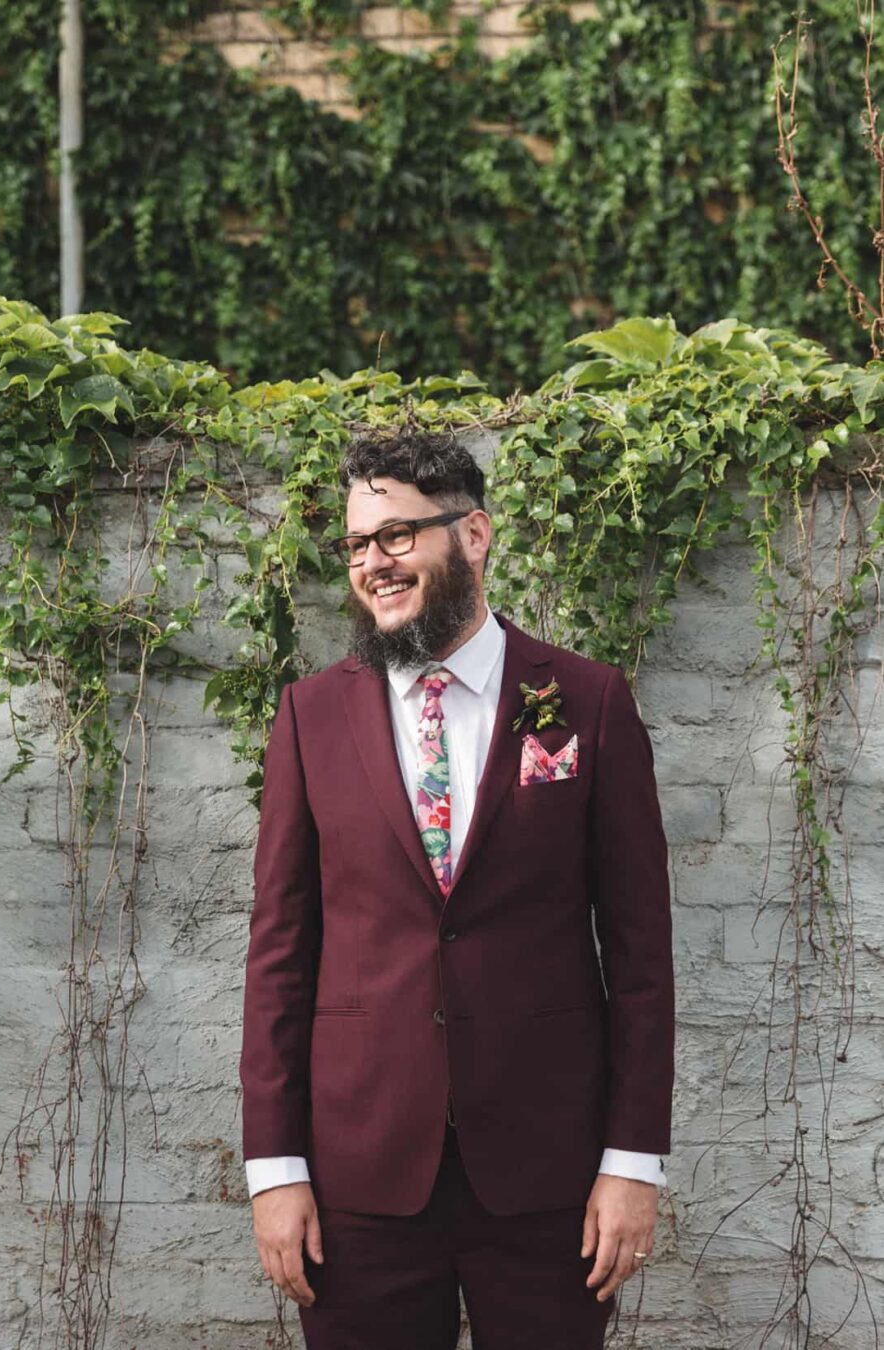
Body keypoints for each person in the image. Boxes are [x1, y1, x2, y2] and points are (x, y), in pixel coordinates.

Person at [239, 430, 674, 1350]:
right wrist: (274, 1169)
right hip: (359, 1179)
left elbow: (640, 955)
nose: (373, 564)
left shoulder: (586, 702)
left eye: (397, 537)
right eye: (357, 544)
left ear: (473, 535)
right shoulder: (309, 717)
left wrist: (633, 1162)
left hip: (550, 1175)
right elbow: (280, 956)